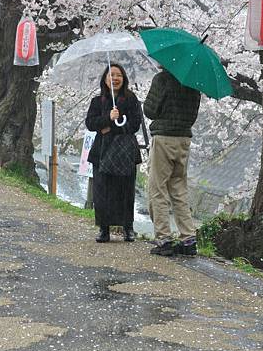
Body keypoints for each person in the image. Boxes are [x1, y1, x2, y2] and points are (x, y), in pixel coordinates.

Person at [143, 67, 201, 256]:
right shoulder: (194, 83)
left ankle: (164, 239)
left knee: (157, 188)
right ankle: (188, 239)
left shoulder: (162, 79)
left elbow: (150, 111)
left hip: (164, 138)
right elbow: (193, 116)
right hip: (183, 140)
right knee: (178, 188)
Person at [85, 63, 142, 243]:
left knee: (126, 190)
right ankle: (104, 228)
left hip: (125, 151)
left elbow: (135, 124)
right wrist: (108, 118)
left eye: (119, 75)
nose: (115, 78)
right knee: (102, 190)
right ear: (105, 79)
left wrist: (110, 129)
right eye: (112, 75)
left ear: (124, 79)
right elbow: (90, 123)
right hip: (102, 151)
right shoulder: (98, 101)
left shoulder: (131, 99)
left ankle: (128, 227)